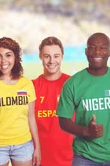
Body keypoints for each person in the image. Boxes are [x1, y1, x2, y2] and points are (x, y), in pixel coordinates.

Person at [57, 32, 110, 165]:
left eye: (103, 48)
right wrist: (86, 131)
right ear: (86, 51)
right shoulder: (72, 84)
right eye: (92, 47)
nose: (97, 52)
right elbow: (63, 121)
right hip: (84, 156)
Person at [0, 37, 41, 166]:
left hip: (23, 144)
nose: (3, 61)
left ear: (16, 57)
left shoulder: (26, 83)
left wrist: (38, 147)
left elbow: (31, 117)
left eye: (8, 55)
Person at [32, 36, 74, 166]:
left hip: (70, 159)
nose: (52, 61)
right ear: (40, 56)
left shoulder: (73, 84)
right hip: (39, 159)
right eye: (47, 56)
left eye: (56, 56)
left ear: (62, 57)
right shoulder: (31, 86)